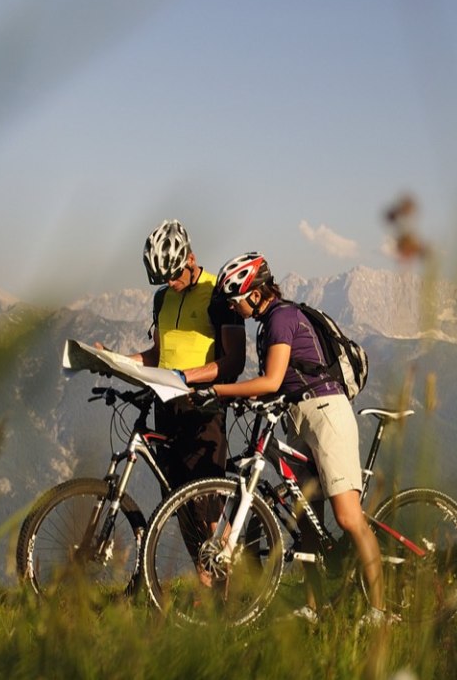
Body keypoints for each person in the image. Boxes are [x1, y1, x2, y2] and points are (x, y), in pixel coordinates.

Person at [196, 252, 395, 625]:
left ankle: (379, 611)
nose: (233, 308)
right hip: (299, 417)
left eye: (235, 300)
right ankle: (313, 607)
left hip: (326, 414)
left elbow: (271, 380)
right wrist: (243, 399)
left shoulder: (282, 318)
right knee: (306, 520)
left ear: (255, 294)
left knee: (348, 516)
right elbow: (279, 385)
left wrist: (219, 391)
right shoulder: (268, 324)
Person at [100, 220, 245, 501]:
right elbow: (157, 355)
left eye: (174, 275)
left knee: (207, 507)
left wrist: (184, 376)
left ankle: (229, 534)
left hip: (202, 408)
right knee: (176, 501)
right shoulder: (162, 298)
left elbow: (235, 361)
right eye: (163, 278)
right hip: (165, 406)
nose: (170, 283)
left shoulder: (218, 293)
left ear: (191, 259)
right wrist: (114, 360)